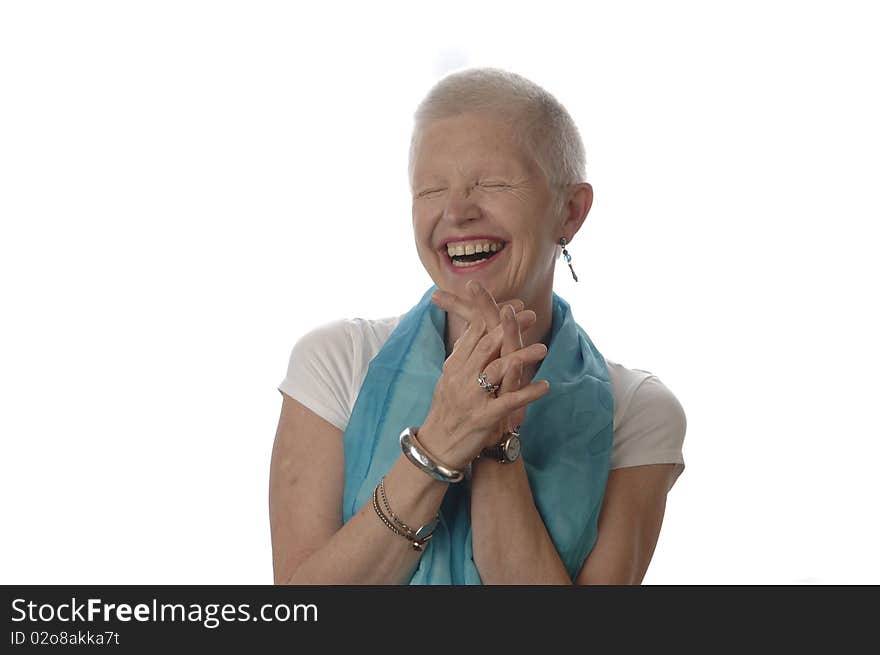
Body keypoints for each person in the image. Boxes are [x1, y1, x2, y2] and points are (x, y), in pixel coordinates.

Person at [269, 67, 687, 585]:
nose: (457, 211)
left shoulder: (638, 411)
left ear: (570, 212)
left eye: (491, 183)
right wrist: (439, 445)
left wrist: (494, 444)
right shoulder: (336, 362)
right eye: (430, 190)